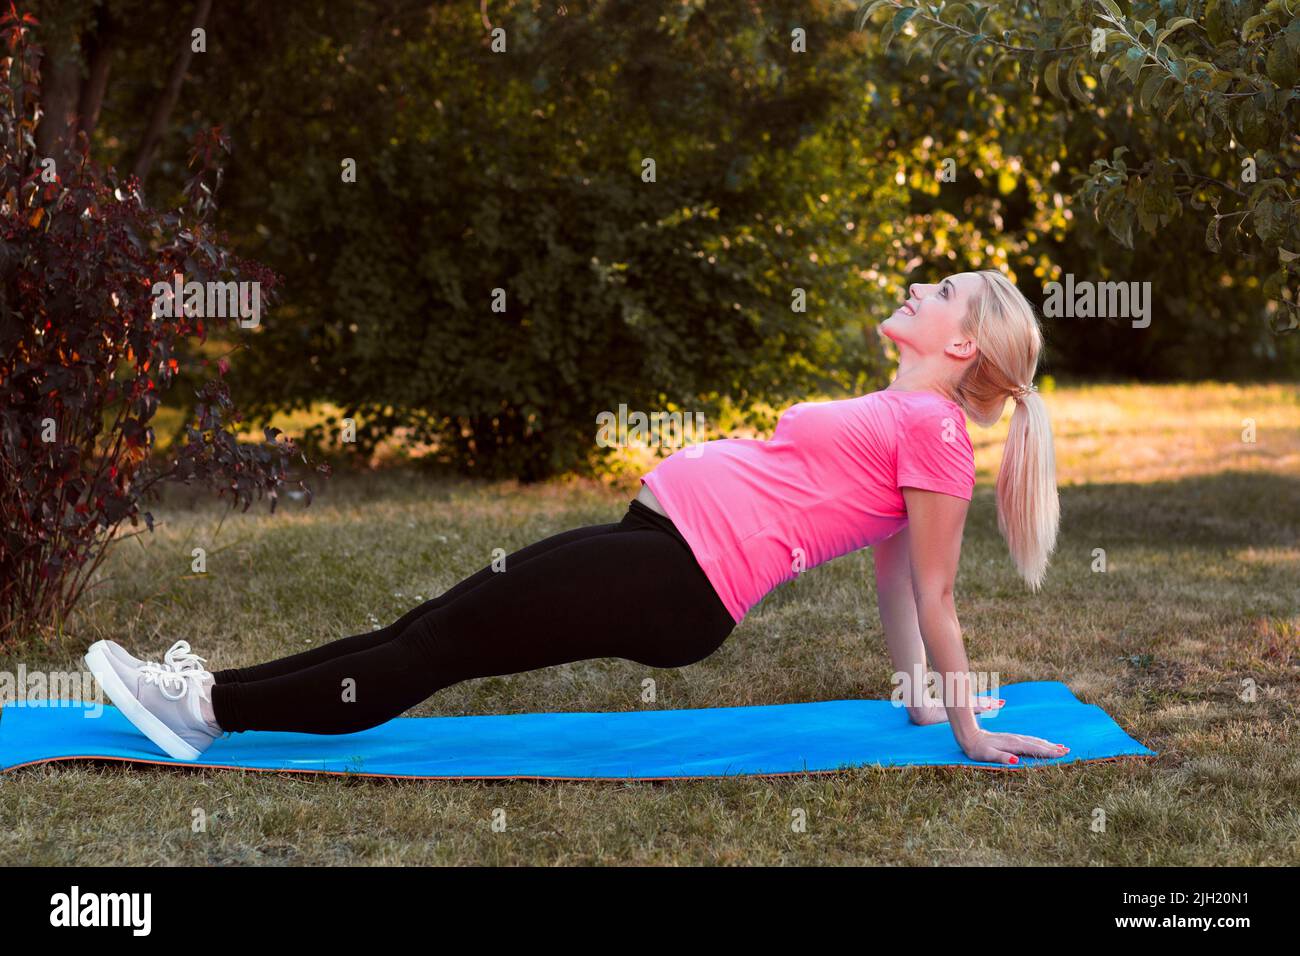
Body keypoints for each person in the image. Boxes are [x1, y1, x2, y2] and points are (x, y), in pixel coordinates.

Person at [84, 269, 1068, 767]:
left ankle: (207, 712)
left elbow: (930, 584)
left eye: (942, 291)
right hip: (659, 549)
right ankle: (207, 695)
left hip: (682, 579)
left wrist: (967, 722)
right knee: (428, 629)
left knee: (435, 645)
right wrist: (916, 695)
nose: (918, 287)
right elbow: (888, 571)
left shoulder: (937, 434)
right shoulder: (899, 414)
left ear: (963, 339)